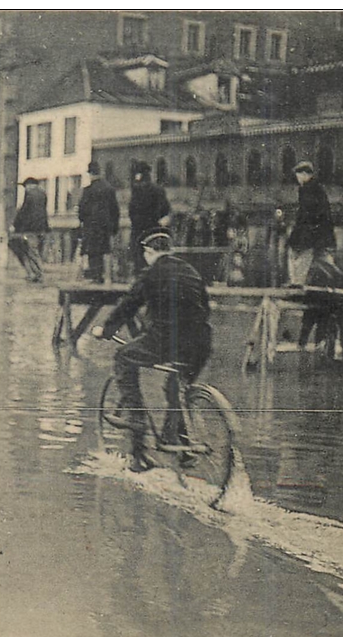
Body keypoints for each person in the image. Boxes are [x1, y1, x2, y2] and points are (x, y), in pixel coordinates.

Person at [92, 229, 211, 473]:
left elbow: (129, 305)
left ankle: (138, 429)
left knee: (123, 357)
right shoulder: (192, 272)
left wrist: (105, 329)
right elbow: (205, 309)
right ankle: (180, 445)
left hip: (167, 340)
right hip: (200, 342)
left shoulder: (151, 274)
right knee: (176, 386)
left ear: (149, 252)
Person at [298, 253, 343, 365]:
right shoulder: (326, 269)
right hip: (325, 304)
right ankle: (332, 355)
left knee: (325, 329)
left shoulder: (327, 270)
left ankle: (329, 355)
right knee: (321, 328)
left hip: (328, 305)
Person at [287, 161, 335, 287]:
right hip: (318, 231)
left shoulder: (309, 189)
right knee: (321, 259)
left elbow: (308, 213)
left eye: (298, 175)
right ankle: (332, 282)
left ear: (304, 174)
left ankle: (297, 282)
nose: (297, 179)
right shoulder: (313, 188)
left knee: (301, 253)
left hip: (311, 231)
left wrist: (299, 230)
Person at [77, 162, 120, 283]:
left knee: (92, 252)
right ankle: (108, 276)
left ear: (90, 174)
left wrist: (82, 221)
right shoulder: (109, 189)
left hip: (91, 226)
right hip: (106, 226)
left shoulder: (88, 190)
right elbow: (115, 210)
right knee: (106, 251)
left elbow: (82, 210)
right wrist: (114, 227)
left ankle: (96, 276)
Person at [127, 161, 171, 273]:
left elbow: (131, 211)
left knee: (139, 260)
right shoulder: (158, 189)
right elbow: (165, 209)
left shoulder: (135, 190)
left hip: (138, 231)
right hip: (154, 230)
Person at [9, 178, 48, 283]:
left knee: (29, 251)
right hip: (41, 228)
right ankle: (35, 273)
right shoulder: (43, 194)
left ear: (30, 185)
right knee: (34, 251)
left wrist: (15, 225)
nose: (25, 189)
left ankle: (37, 274)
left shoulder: (30, 194)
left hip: (30, 229)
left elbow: (24, 211)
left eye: (25, 186)